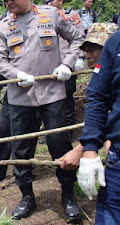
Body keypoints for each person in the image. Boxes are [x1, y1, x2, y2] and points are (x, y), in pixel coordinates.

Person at [0, 0, 84, 222]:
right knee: (21, 148)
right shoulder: (3, 26)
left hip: (52, 94)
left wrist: (68, 63)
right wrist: (15, 74)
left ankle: (68, 194)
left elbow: (77, 38)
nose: (9, 3)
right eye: (5, 0)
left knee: (59, 143)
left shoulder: (51, 15)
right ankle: (27, 196)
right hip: (20, 98)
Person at [78, 25, 120, 225]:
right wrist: (89, 148)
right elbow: (98, 97)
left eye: (93, 50)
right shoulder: (116, 43)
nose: (89, 56)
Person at [46, 0, 85, 142]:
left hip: (67, 64)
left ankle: (69, 131)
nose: (49, 3)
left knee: (67, 98)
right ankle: (52, 132)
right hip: (51, 66)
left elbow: (79, 35)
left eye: (52, 0)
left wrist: (80, 57)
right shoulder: (44, 16)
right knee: (52, 100)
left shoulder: (71, 15)